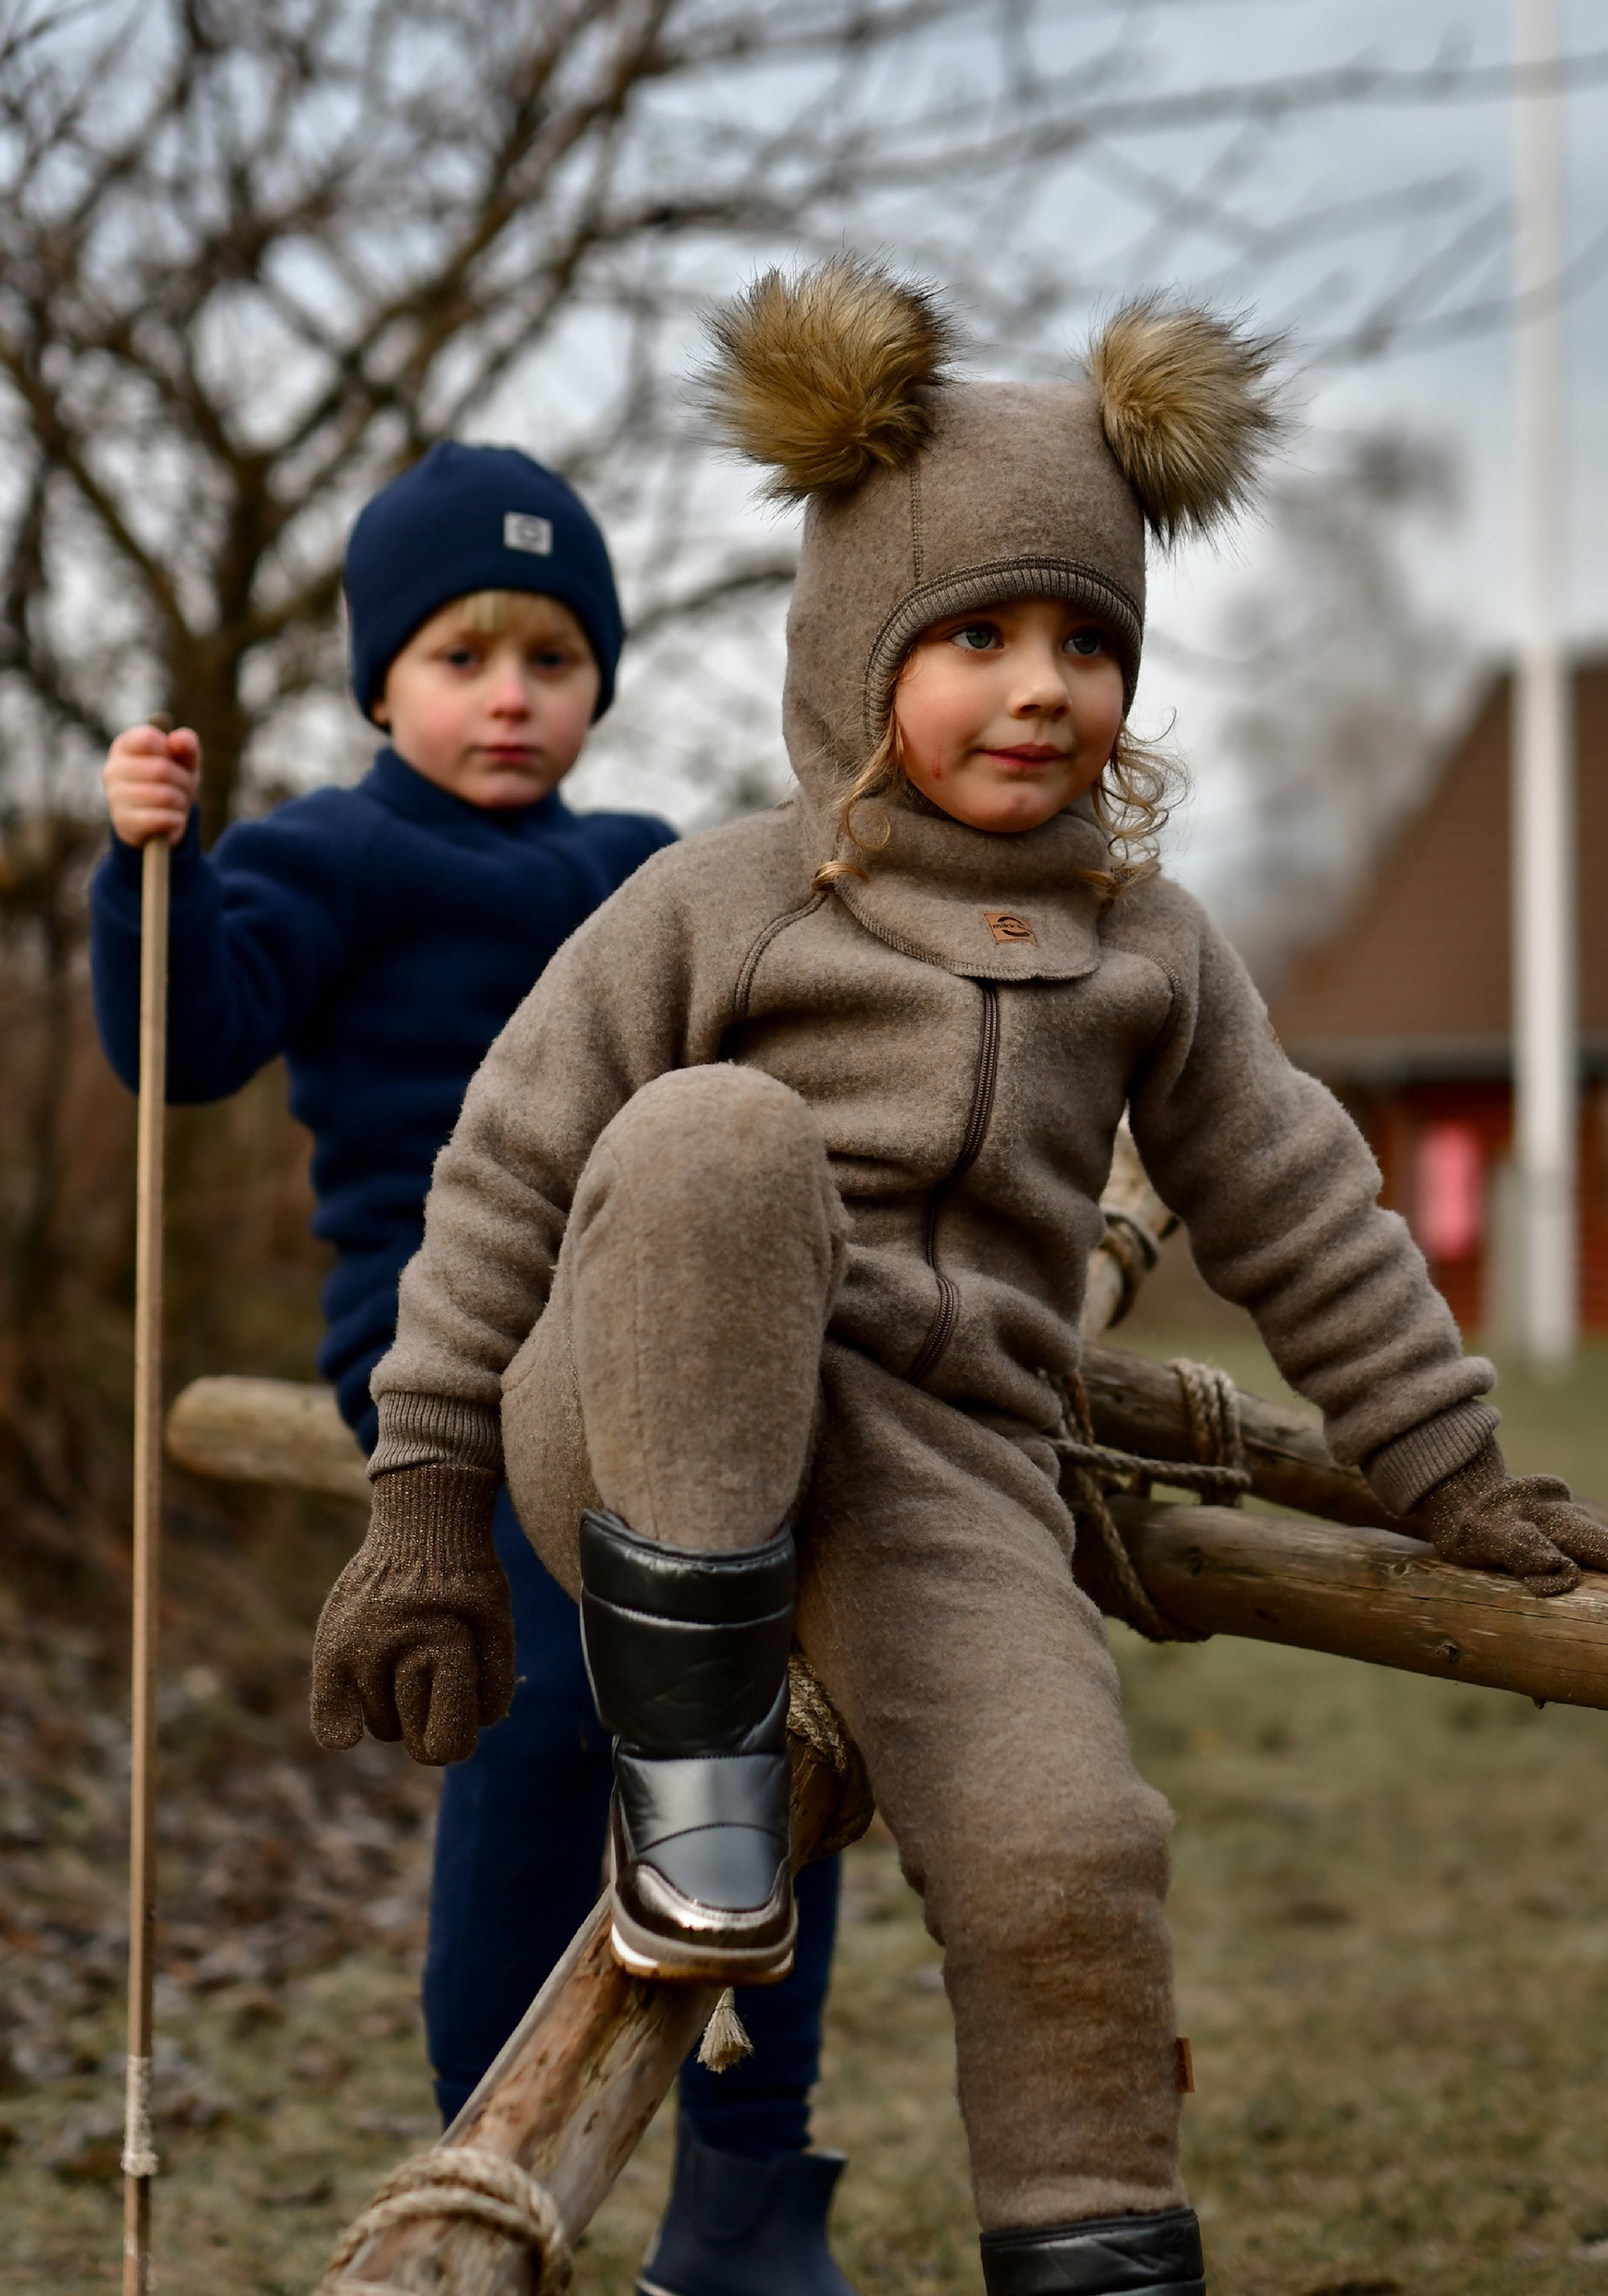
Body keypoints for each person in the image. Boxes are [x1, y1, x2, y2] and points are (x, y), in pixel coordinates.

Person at [308, 259, 1608, 2296]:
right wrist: (420, 1509)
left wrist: (1448, 1469)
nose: (1039, 684)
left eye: (1087, 638)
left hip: (938, 1491)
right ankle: (696, 1774)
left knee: (1071, 1855)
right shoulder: (722, 900)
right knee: (706, 1139)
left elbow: (1303, 1209)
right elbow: (499, 1174)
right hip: (639, 1423)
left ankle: (1093, 2248)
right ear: (853, 647)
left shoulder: (1145, 946)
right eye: (975, 632)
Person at [88, 440, 852, 2296]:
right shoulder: (326, 856)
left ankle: (747, 2188)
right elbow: (185, 1046)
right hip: (452, 1372)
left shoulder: (641, 871)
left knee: (764, 1701)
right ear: (379, 682)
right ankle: (486, 2143)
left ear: (596, 681)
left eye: (551, 660)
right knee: (538, 1725)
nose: (510, 696)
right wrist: (149, 879)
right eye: (460, 656)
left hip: (667, 1358)